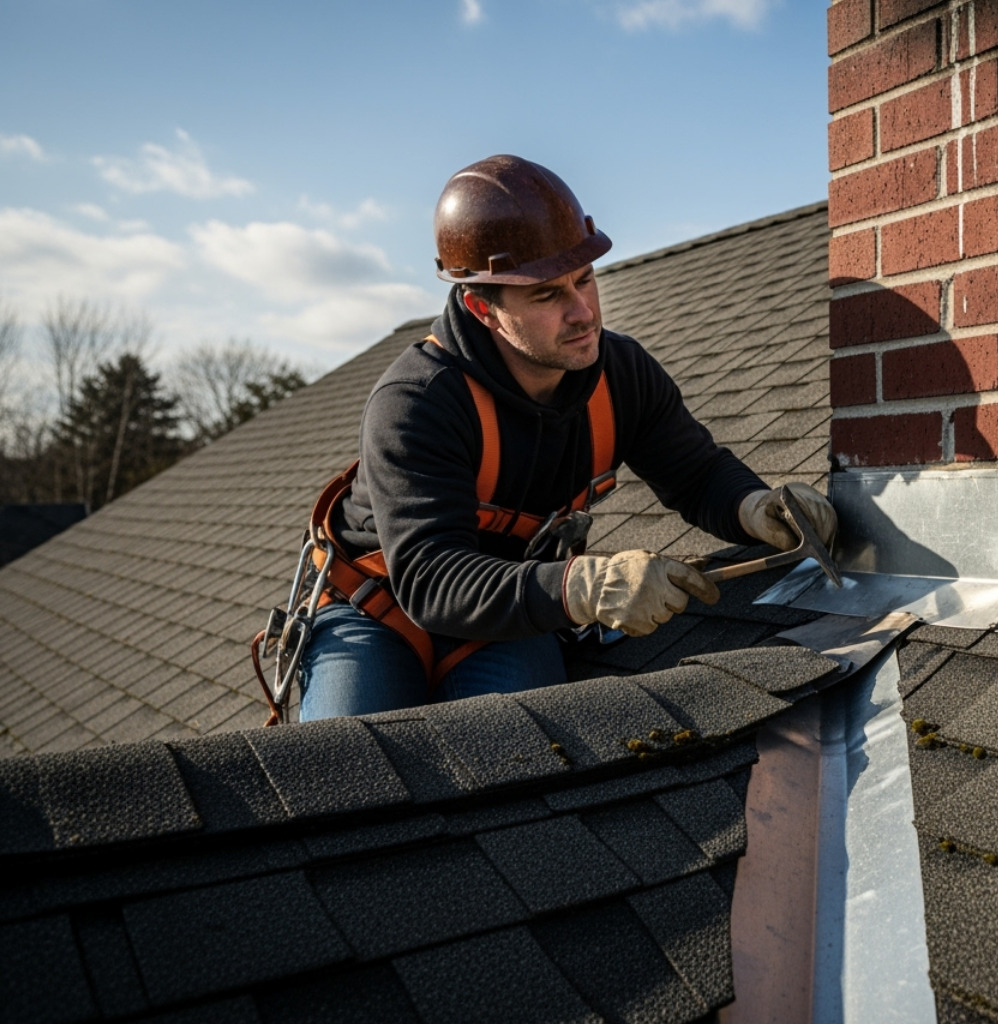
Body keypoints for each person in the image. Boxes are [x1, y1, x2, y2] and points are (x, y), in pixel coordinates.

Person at [297, 155, 835, 720]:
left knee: (524, 755)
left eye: (585, 280)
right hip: (377, 610)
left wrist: (756, 507)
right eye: (547, 295)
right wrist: (584, 589)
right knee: (344, 774)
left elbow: (696, 474)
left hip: (510, 606)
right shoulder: (417, 403)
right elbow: (432, 580)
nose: (583, 312)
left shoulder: (619, 374)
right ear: (484, 308)